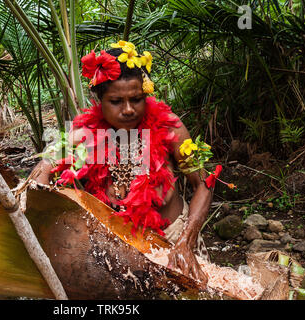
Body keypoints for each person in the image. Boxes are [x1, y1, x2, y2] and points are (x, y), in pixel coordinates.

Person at [33, 41, 213, 286]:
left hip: (173, 241)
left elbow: (204, 182)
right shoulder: (84, 134)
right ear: (100, 100)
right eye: (116, 101)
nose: (128, 110)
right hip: (117, 246)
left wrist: (186, 241)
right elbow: (41, 175)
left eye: (136, 99)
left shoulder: (170, 127)